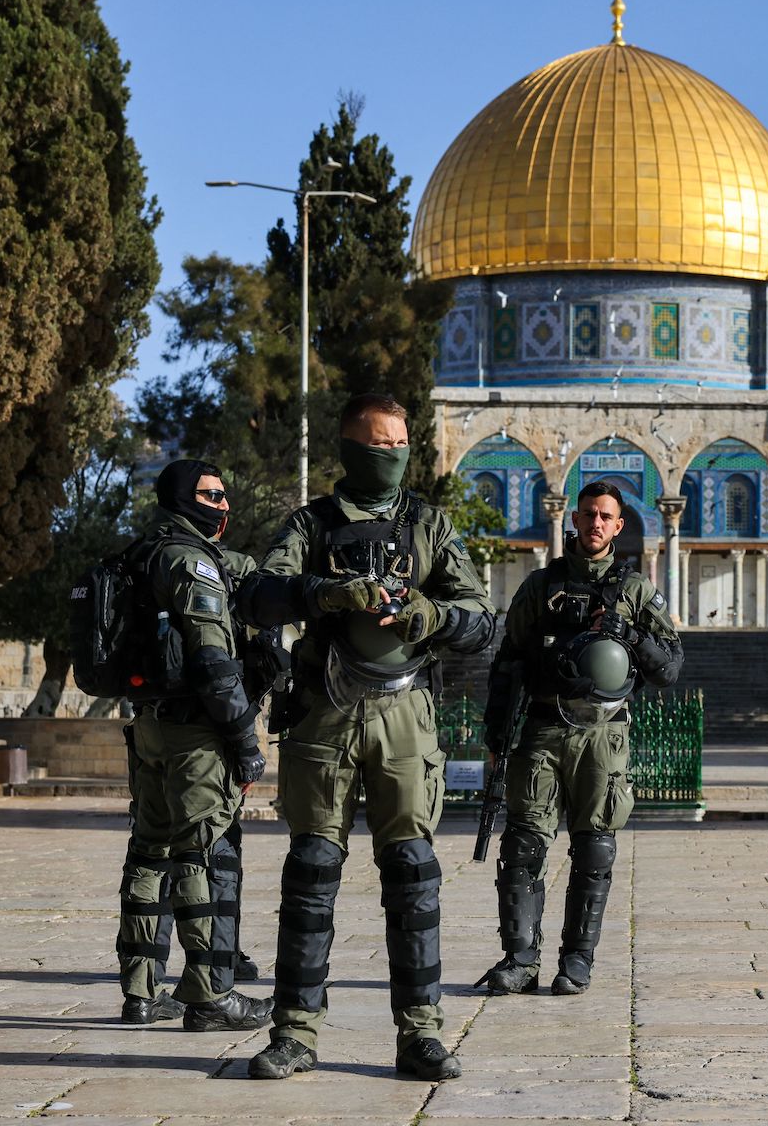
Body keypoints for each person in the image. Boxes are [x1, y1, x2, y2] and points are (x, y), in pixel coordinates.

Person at [240, 393, 496, 1082]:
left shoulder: (430, 526)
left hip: (405, 719)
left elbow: (482, 622)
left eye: (401, 445)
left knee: (413, 876)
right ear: (350, 448)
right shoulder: (311, 524)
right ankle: (294, 1033)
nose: (392, 457)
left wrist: (429, 613)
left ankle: (420, 1034)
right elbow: (259, 595)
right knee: (311, 877)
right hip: (323, 715)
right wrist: (323, 593)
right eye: (379, 445)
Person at [476, 481, 683, 1000]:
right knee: (523, 845)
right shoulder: (542, 586)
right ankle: (520, 959)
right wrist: (497, 734)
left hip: (602, 735)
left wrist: (629, 634)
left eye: (605, 516)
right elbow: (507, 661)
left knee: (595, 849)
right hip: (542, 728)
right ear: (574, 519)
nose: (595, 523)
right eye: (588, 514)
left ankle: (577, 961)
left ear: (619, 526)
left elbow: (671, 667)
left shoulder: (636, 592)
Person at [113, 459, 280, 1033]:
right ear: (184, 497)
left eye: (226, 494)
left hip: (150, 726)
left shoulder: (140, 553)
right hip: (194, 734)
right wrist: (243, 738)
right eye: (211, 494)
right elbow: (212, 659)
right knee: (199, 854)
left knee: (148, 851)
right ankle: (210, 995)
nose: (223, 505)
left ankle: (139, 992)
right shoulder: (190, 561)